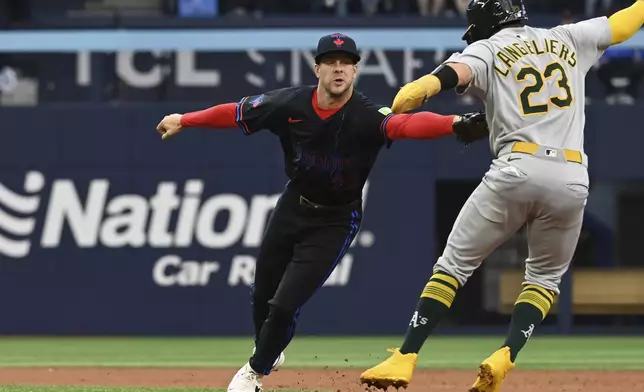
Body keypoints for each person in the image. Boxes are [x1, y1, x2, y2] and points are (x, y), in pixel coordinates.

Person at [156, 33, 489, 392]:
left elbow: (403, 125)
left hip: (336, 219)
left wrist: (453, 123)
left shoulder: (365, 114)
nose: (339, 68)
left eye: (347, 62)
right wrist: (184, 119)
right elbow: (236, 113)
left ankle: (254, 372)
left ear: (356, 70)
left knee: (284, 305)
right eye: (331, 61)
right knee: (262, 295)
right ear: (317, 68)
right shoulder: (290, 103)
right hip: (293, 205)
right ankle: (269, 348)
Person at [359, 1, 644, 392]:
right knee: (544, 279)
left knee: (453, 266)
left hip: (517, 169)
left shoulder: (488, 48)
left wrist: (408, 97)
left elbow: (441, 79)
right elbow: (624, 24)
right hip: (572, 177)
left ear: (486, 24)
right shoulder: (567, 37)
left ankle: (405, 357)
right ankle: (506, 355)